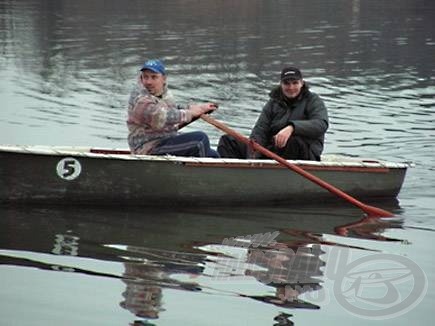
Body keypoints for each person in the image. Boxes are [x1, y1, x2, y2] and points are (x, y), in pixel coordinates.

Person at [218, 66, 329, 161]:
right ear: (281, 84)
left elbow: (321, 124)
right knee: (228, 140)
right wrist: (253, 154)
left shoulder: (313, 100)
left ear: (302, 83)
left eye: (295, 83)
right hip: (273, 151)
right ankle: (240, 176)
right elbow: (260, 130)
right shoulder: (273, 102)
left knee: (291, 142)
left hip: (303, 153)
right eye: (286, 83)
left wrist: (292, 128)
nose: (291, 87)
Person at [127, 59, 219, 157]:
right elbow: (163, 116)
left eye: (154, 77)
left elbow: (173, 108)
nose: (149, 82)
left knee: (213, 155)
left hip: (165, 140)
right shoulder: (140, 99)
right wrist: (191, 113)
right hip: (148, 147)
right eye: (145, 77)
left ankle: (218, 170)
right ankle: (199, 171)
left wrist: (198, 108)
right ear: (141, 79)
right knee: (200, 139)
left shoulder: (162, 94)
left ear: (163, 79)